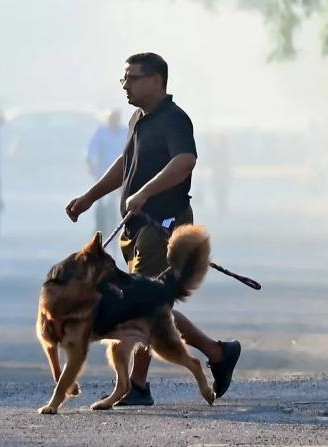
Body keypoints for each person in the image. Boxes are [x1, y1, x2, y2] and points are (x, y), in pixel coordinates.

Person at [65, 53, 241, 404]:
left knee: (143, 304)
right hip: (135, 228)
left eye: (133, 78)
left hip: (161, 226)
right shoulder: (138, 119)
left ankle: (139, 385)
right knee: (152, 305)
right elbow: (125, 163)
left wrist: (145, 192)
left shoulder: (174, 119)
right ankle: (218, 352)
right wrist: (89, 197)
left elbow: (185, 160)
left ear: (157, 80)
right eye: (124, 78)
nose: (125, 85)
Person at [86, 109, 128, 233]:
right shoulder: (101, 132)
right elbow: (90, 151)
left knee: (121, 200)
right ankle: (100, 228)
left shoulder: (125, 132)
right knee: (99, 200)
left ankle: (120, 226)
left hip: (121, 173)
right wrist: (91, 165)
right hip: (103, 173)